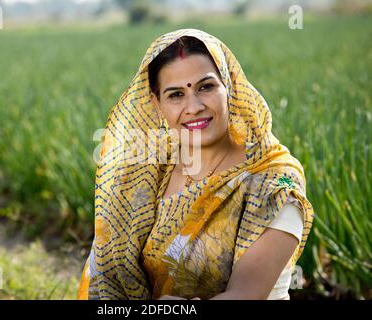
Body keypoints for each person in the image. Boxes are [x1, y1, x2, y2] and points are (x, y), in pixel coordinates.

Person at [77, 29, 314, 300]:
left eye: (206, 87)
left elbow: (246, 294)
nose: (194, 106)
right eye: (176, 94)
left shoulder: (273, 181)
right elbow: (108, 267)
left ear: (229, 87)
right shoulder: (150, 167)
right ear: (156, 104)